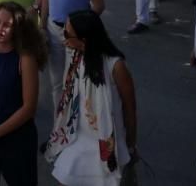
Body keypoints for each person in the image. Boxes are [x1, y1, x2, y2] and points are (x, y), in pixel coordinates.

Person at [45, 10, 137, 185]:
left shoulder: (116, 66)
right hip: (77, 137)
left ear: (84, 41)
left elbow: (130, 107)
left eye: (67, 34)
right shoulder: (76, 57)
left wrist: (131, 143)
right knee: (64, 177)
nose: (64, 39)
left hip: (105, 140)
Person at [0, 2, 46, 186]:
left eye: (7, 25)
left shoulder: (25, 58)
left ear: (17, 29)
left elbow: (29, 107)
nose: (0, 29)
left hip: (16, 136)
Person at [40, 0, 104, 111]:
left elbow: (99, 5)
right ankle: (58, 130)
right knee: (56, 83)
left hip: (76, 37)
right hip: (53, 30)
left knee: (78, 82)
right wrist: (42, 25)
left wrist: (80, 30)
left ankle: (79, 130)